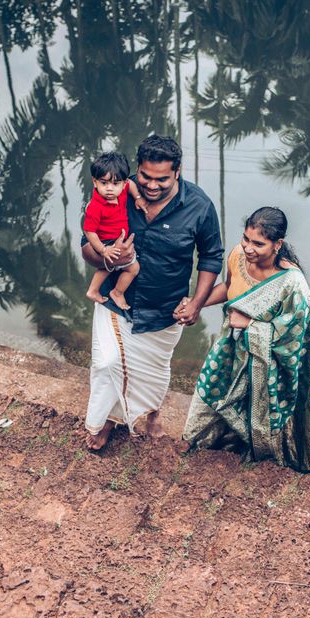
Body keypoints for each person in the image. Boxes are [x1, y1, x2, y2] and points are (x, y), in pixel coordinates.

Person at [81, 135, 223, 450]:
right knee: (107, 363)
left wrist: (197, 303)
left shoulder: (199, 206)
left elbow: (212, 256)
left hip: (165, 307)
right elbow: (86, 248)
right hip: (115, 300)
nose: (152, 185)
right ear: (137, 169)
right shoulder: (114, 191)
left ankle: (151, 411)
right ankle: (107, 420)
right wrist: (107, 256)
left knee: (154, 368)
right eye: (145, 176)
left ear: (177, 172)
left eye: (162, 179)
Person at [181, 207, 310, 473]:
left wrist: (251, 325)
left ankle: (263, 457)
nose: (248, 248)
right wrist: (195, 305)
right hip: (231, 345)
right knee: (212, 389)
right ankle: (203, 440)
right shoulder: (237, 255)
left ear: (277, 244)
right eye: (246, 239)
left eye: (258, 243)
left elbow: (298, 334)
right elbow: (228, 288)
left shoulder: (292, 284)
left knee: (261, 410)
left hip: (267, 361)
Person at [82, 151, 144, 310]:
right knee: (132, 268)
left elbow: (131, 185)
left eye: (115, 184)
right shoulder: (95, 207)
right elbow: (89, 231)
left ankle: (93, 290)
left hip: (117, 238)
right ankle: (116, 292)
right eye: (104, 183)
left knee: (107, 268)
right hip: (105, 241)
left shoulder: (124, 189)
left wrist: (137, 198)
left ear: (123, 183)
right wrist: (103, 250)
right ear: (95, 182)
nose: (109, 189)